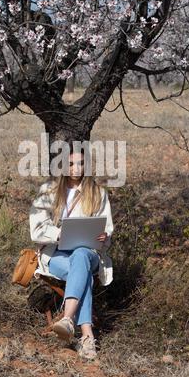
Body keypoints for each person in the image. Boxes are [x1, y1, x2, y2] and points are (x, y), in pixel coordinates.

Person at [29, 142, 114, 360]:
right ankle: (87, 337)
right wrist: (58, 234)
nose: (76, 168)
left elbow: (108, 230)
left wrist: (104, 237)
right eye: (70, 163)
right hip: (56, 256)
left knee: (81, 255)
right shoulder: (47, 191)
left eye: (81, 164)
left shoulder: (98, 192)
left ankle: (67, 319)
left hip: (89, 254)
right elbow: (36, 229)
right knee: (81, 271)